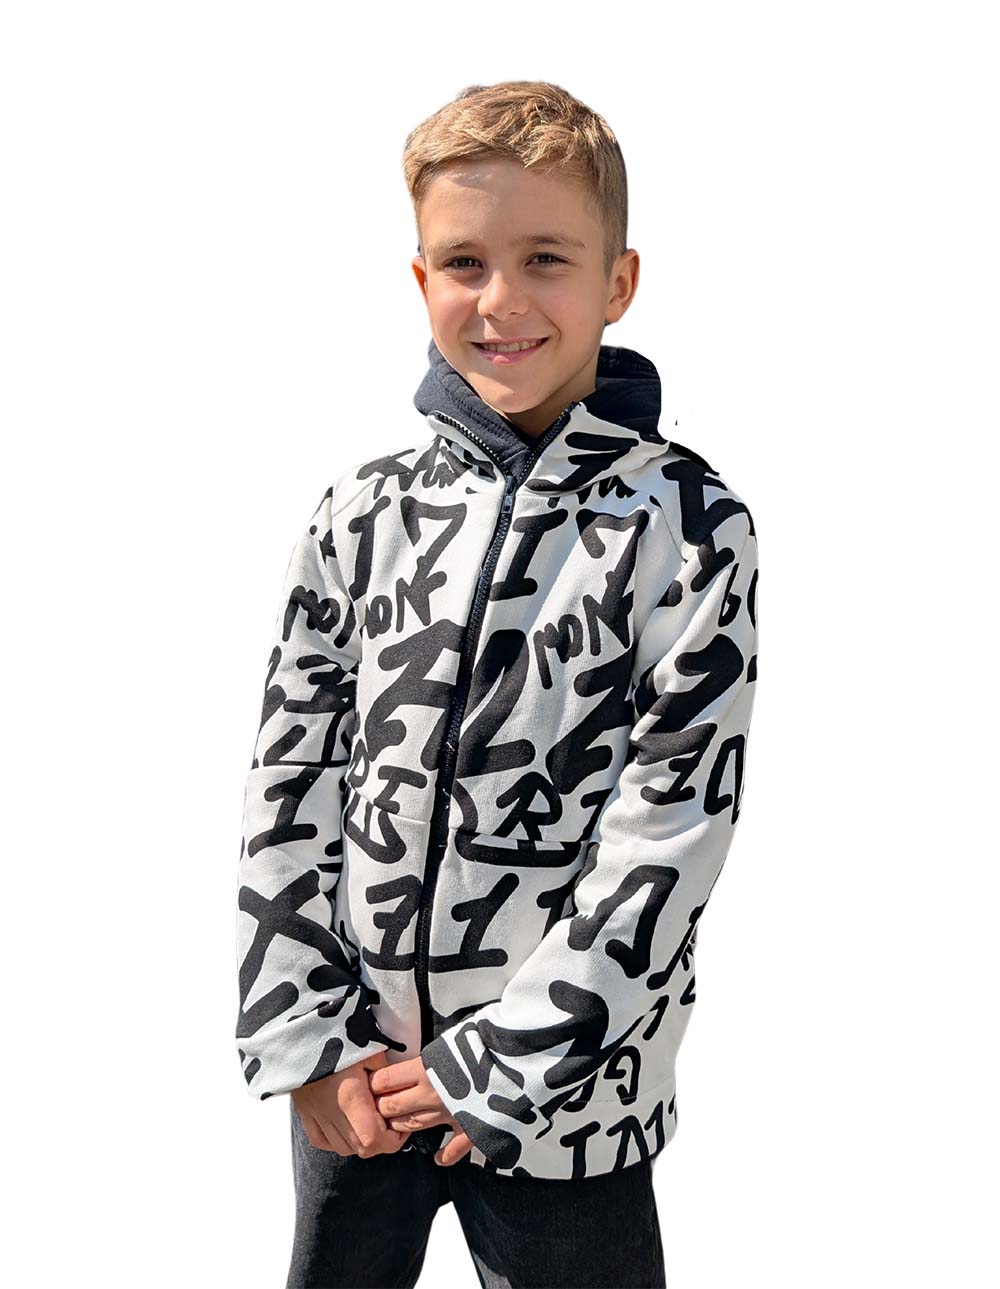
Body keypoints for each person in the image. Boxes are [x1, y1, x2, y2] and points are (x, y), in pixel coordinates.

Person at [235, 79, 759, 1289]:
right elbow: (289, 777)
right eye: (464, 262)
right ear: (420, 278)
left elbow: (671, 830)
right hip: (358, 1083)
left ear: (618, 282)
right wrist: (304, 1034)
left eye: (546, 259)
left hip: (566, 1106)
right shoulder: (360, 513)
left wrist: (506, 1063)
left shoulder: (690, 528)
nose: (502, 299)